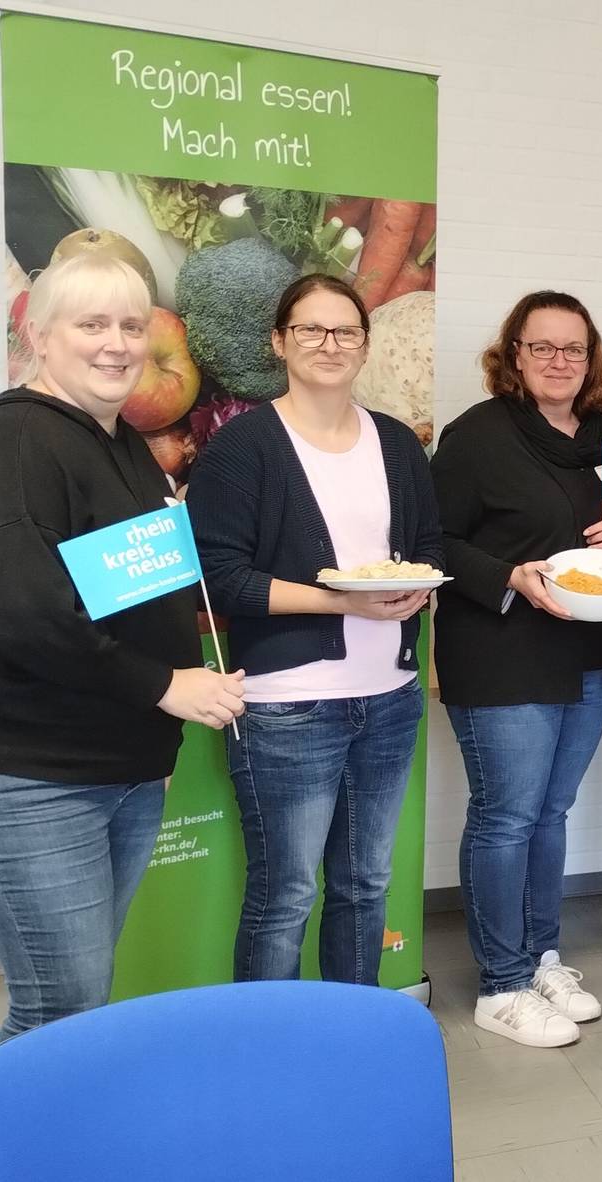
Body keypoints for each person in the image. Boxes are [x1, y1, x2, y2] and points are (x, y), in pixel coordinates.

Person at [0, 253, 245, 1042]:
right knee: (59, 1006)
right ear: (39, 334)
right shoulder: (13, 443)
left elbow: (128, 598)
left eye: (131, 325)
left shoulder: (121, 442)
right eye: (92, 324)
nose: (117, 344)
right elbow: (24, 615)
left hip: (116, 768)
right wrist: (165, 689)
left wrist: (150, 746)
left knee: (79, 999)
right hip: (20, 772)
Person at [190, 274, 442, 986]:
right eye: (311, 329)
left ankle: (351, 1033)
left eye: (346, 331)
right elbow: (220, 579)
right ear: (280, 342)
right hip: (287, 708)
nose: (330, 344)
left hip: (389, 698)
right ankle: (268, 1046)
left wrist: (418, 588)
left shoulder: (397, 443)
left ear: (365, 344)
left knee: (365, 886)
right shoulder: (243, 446)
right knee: (286, 897)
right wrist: (343, 604)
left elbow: (430, 545)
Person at [430, 291, 602, 1047]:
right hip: (503, 650)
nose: (560, 361)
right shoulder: (476, 436)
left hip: (590, 651)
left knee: (550, 812)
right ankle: (501, 984)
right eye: (543, 347)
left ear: (592, 359)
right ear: (514, 355)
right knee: (506, 816)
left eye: (574, 349)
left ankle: (539, 957)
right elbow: (433, 540)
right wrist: (508, 576)